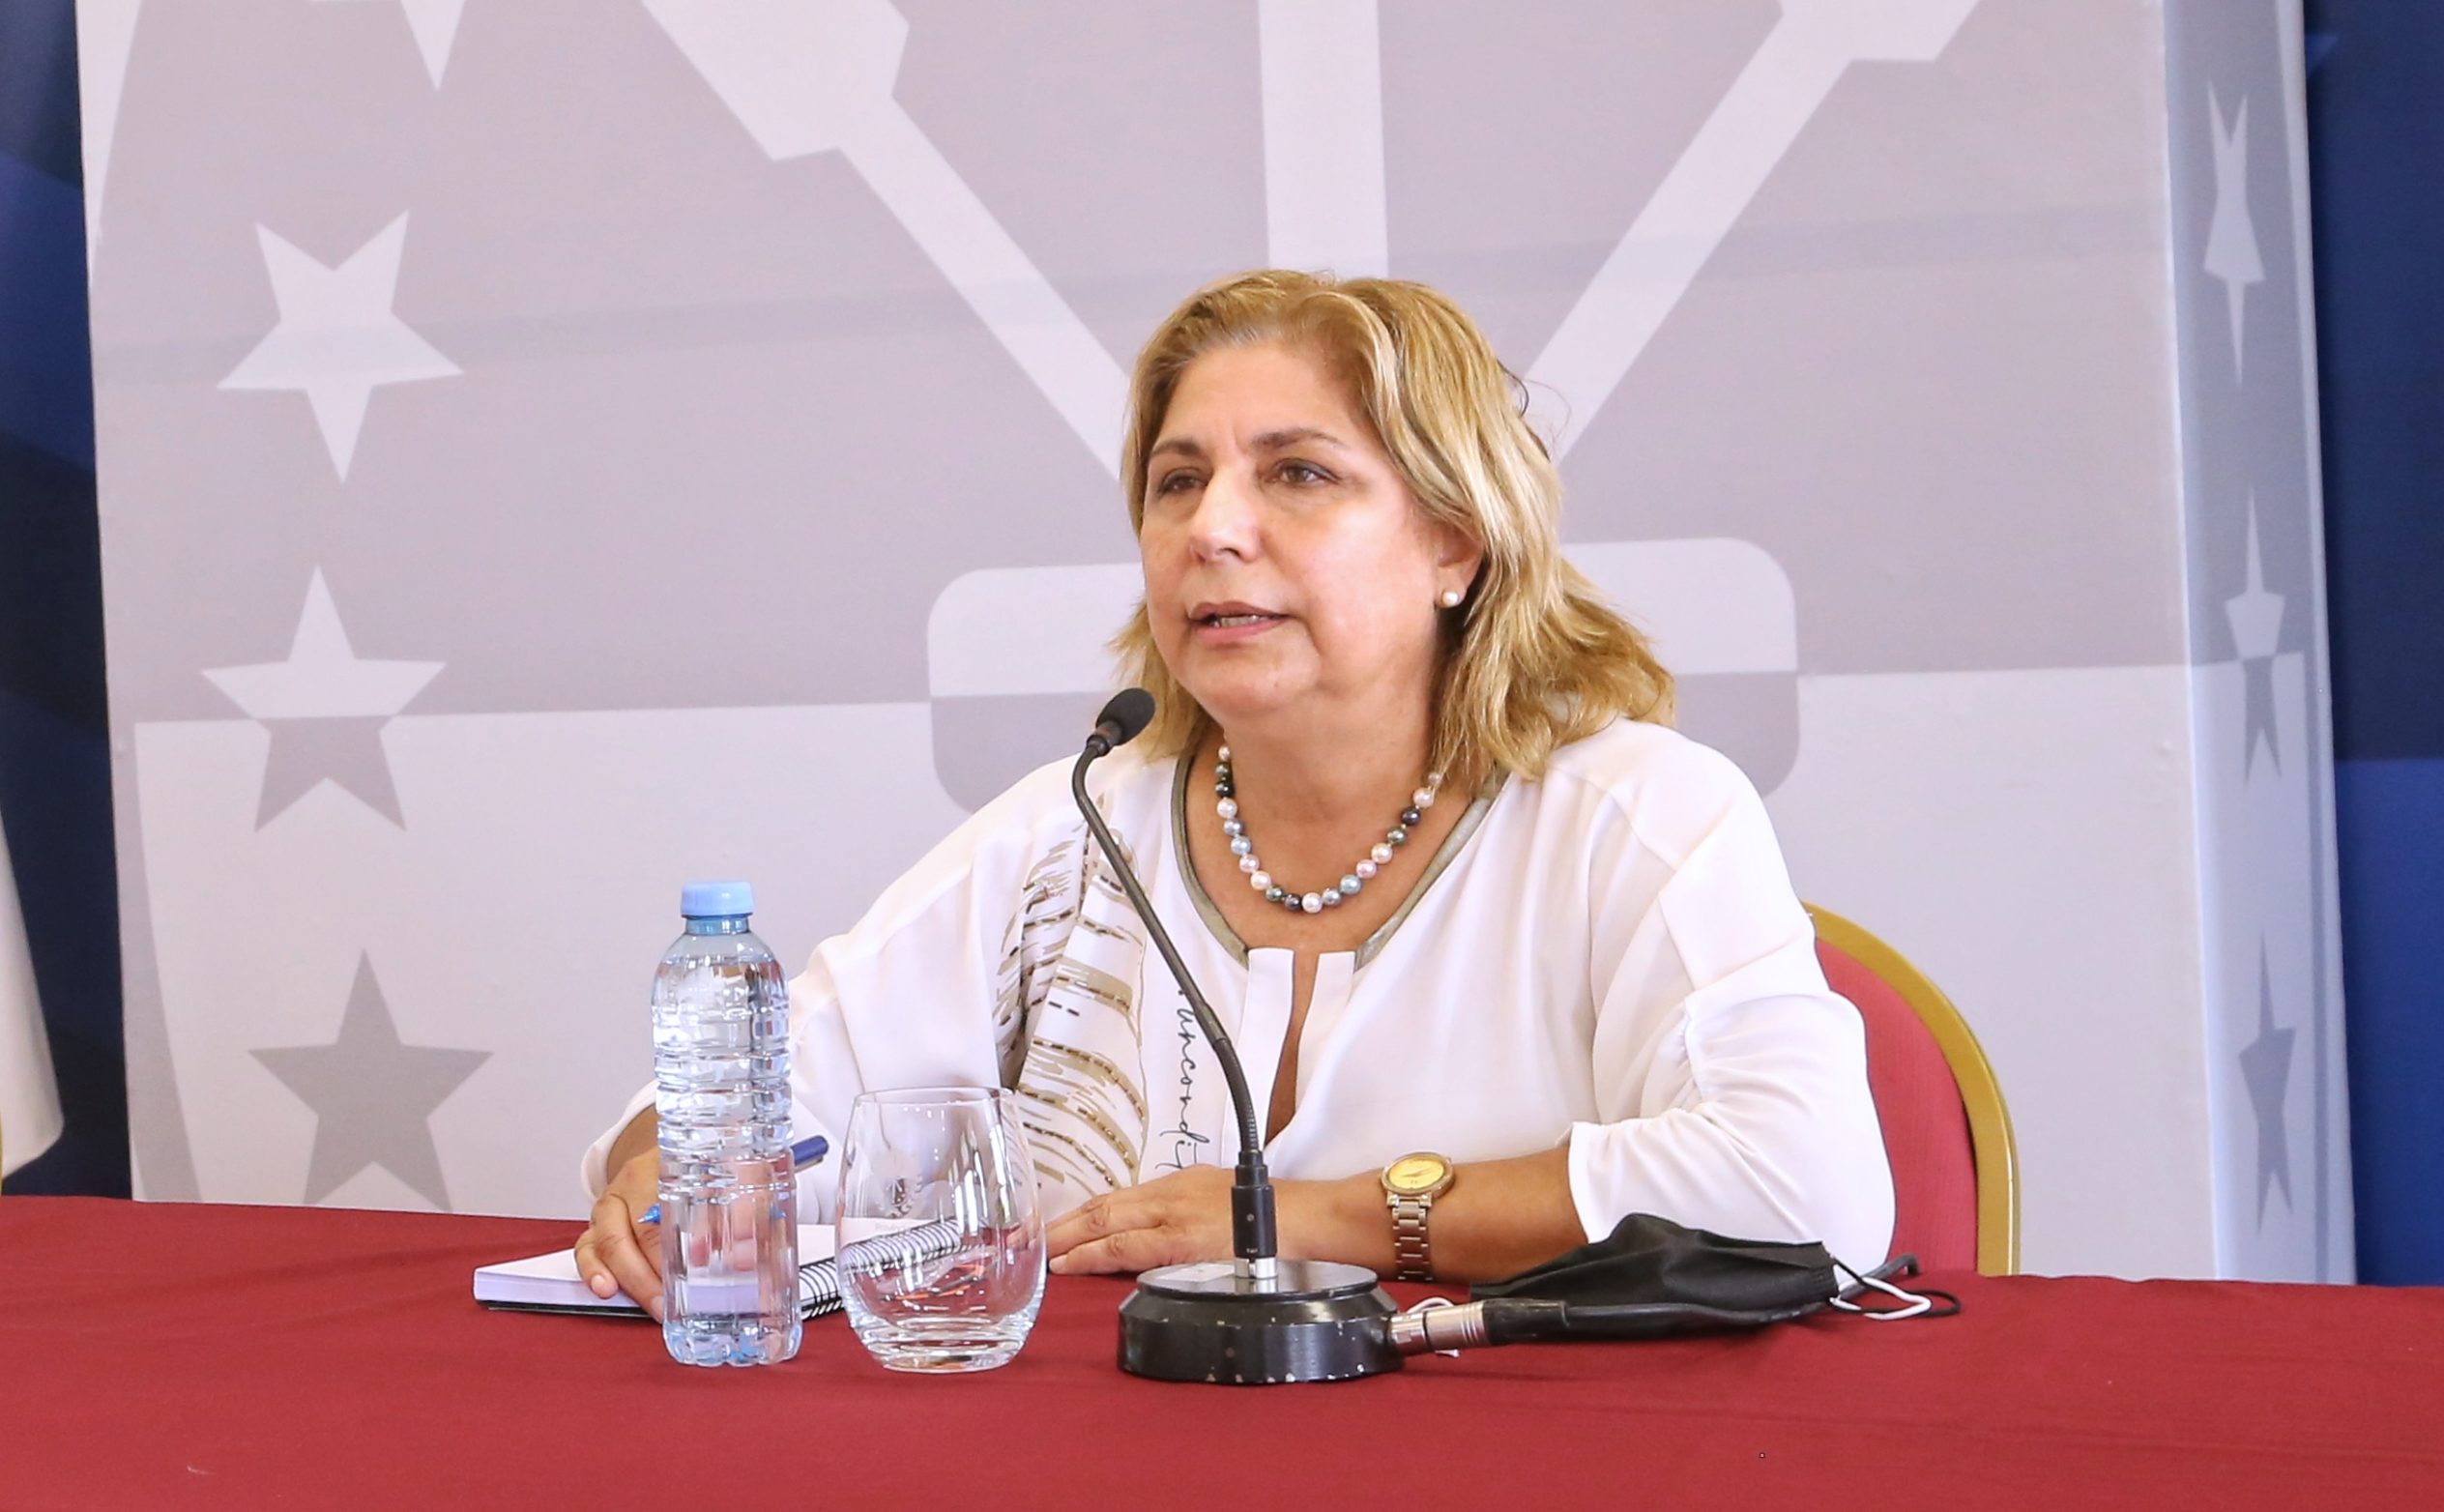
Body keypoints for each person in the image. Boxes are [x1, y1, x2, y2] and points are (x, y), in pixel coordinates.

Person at [575, 270, 1893, 1309]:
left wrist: (1313, 1220)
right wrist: (669, 1172)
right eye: (1178, 481)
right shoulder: (1080, 825)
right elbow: (760, 1099)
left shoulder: (1636, 815)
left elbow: (1804, 1187)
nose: (1211, 527)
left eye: (1298, 474)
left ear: (1455, 542)